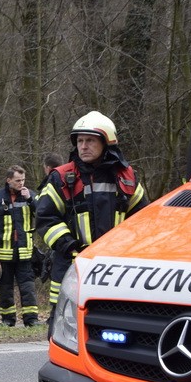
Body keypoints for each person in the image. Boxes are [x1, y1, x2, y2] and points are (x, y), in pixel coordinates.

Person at [36, 111, 149, 313]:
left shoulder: (127, 178)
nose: (83, 146)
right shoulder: (62, 177)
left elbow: (142, 221)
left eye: (90, 140)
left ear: (106, 142)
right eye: (80, 141)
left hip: (115, 269)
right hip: (71, 266)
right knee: (65, 328)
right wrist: (70, 246)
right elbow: (46, 218)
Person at [0, 166, 39, 327]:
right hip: (3, 252)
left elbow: (42, 213)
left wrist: (31, 199)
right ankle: (8, 319)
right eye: (17, 180)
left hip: (25, 251)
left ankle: (31, 320)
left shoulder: (30, 196)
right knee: (5, 287)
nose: (21, 183)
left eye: (23, 180)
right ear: (8, 180)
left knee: (28, 287)